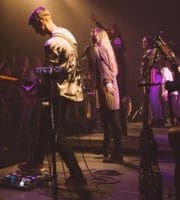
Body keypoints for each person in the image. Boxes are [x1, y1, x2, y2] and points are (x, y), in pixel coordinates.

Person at [18, 6, 86, 187]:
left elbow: (51, 73)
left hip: (60, 93)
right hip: (72, 90)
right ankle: (37, 162)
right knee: (45, 126)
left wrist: (34, 83)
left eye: (35, 27)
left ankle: (78, 176)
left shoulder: (51, 44)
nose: (35, 31)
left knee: (56, 135)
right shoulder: (67, 34)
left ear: (41, 21)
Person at [90, 27, 123, 163]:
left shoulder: (100, 49)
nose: (91, 35)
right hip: (107, 85)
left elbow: (105, 69)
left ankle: (117, 153)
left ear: (99, 35)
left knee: (113, 121)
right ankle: (110, 149)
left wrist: (107, 83)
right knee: (108, 120)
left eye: (93, 34)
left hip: (107, 87)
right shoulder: (104, 48)